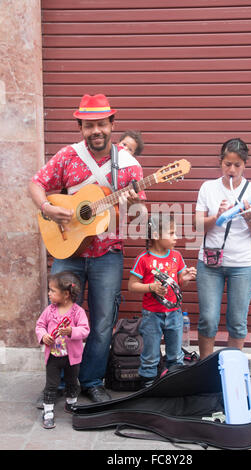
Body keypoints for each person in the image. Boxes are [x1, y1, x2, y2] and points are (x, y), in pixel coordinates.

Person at [29, 93, 146, 403]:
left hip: (107, 255)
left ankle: (91, 381)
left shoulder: (129, 164)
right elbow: (36, 183)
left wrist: (132, 205)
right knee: (59, 317)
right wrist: (47, 207)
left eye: (102, 124)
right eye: (89, 125)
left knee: (103, 320)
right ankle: (58, 382)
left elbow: (139, 217)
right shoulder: (68, 156)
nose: (96, 130)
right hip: (68, 251)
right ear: (80, 127)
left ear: (112, 124)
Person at [194, 138, 251, 359]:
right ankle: (205, 369)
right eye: (227, 164)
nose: (232, 169)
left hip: (243, 265)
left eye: (237, 165)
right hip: (210, 264)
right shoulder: (208, 187)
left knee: (237, 321)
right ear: (220, 162)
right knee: (208, 319)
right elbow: (197, 225)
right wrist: (216, 216)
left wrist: (250, 219)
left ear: (245, 165)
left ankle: (233, 371)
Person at [128, 213, 197, 387]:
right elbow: (132, 286)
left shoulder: (176, 256)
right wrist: (151, 287)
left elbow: (180, 284)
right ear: (157, 236)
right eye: (172, 233)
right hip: (152, 315)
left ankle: (174, 382)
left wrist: (186, 278)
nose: (176, 237)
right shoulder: (144, 259)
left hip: (174, 313)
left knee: (175, 353)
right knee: (150, 354)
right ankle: (148, 384)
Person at [35, 271, 90, 429]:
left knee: (72, 382)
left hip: (71, 357)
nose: (49, 293)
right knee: (52, 384)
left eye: (52, 290)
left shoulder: (77, 312)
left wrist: (72, 331)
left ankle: (71, 404)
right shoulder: (49, 310)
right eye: (49, 290)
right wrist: (44, 336)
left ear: (66, 294)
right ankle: (48, 411)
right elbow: (40, 325)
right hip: (53, 356)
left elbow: (85, 330)